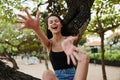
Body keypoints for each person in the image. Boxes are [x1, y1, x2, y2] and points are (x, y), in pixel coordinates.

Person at [15, 8, 89, 80]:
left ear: (61, 25)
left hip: (75, 77)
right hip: (58, 78)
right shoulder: (49, 43)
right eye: (51, 22)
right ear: (49, 28)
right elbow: (43, 39)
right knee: (47, 73)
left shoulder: (68, 40)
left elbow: (75, 49)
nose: (54, 23)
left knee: (84, 56)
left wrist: (70, 44)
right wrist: (36, 28)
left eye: (56, 21)